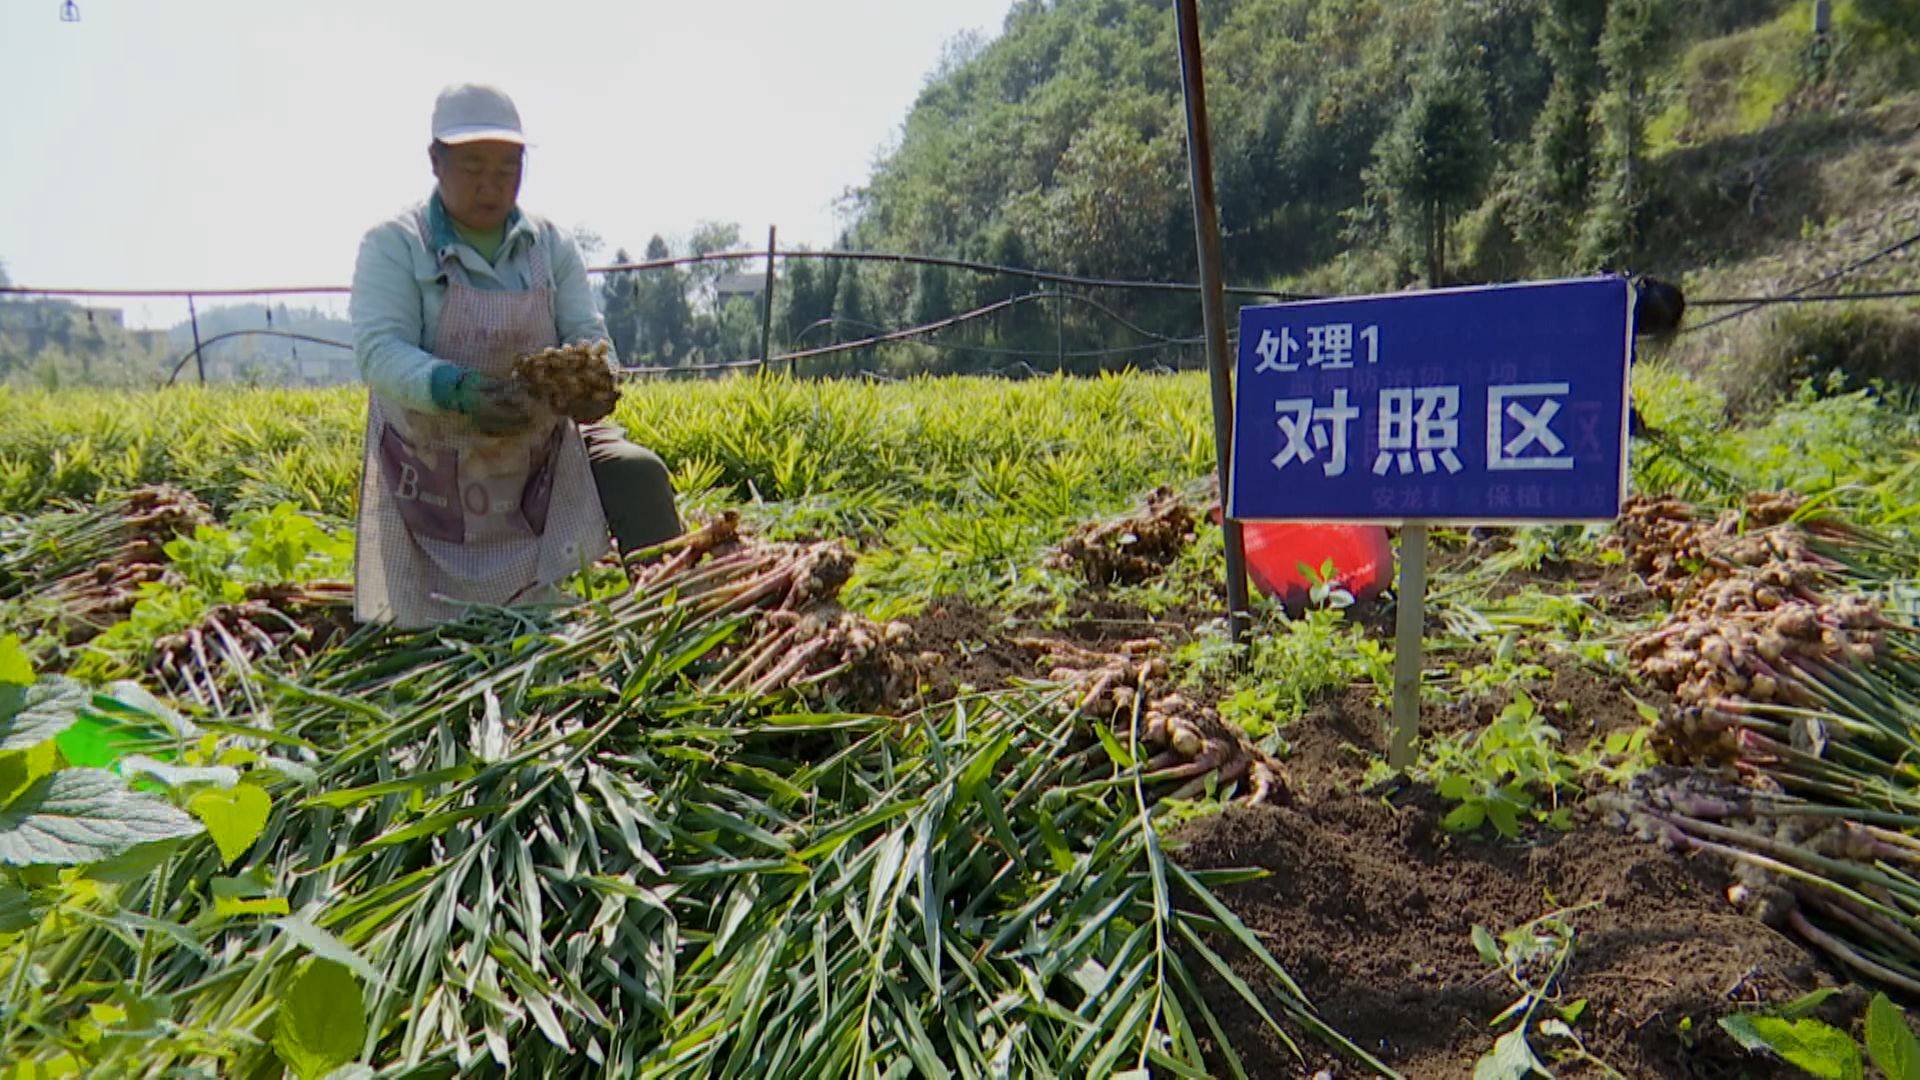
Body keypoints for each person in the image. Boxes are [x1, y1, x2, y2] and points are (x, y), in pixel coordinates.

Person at [348, 83, 681, 627]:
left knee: (635, 473)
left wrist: (596, 385)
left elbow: (587, 332)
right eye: (473, 167)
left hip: (539, 443)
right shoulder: (396, 244)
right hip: (433, 453)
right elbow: (379, 350)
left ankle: (671, 621)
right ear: (435, 161)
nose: (490, 186)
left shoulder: (549, 246)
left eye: (506, 169)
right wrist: (457, 390)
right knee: (443, 630)